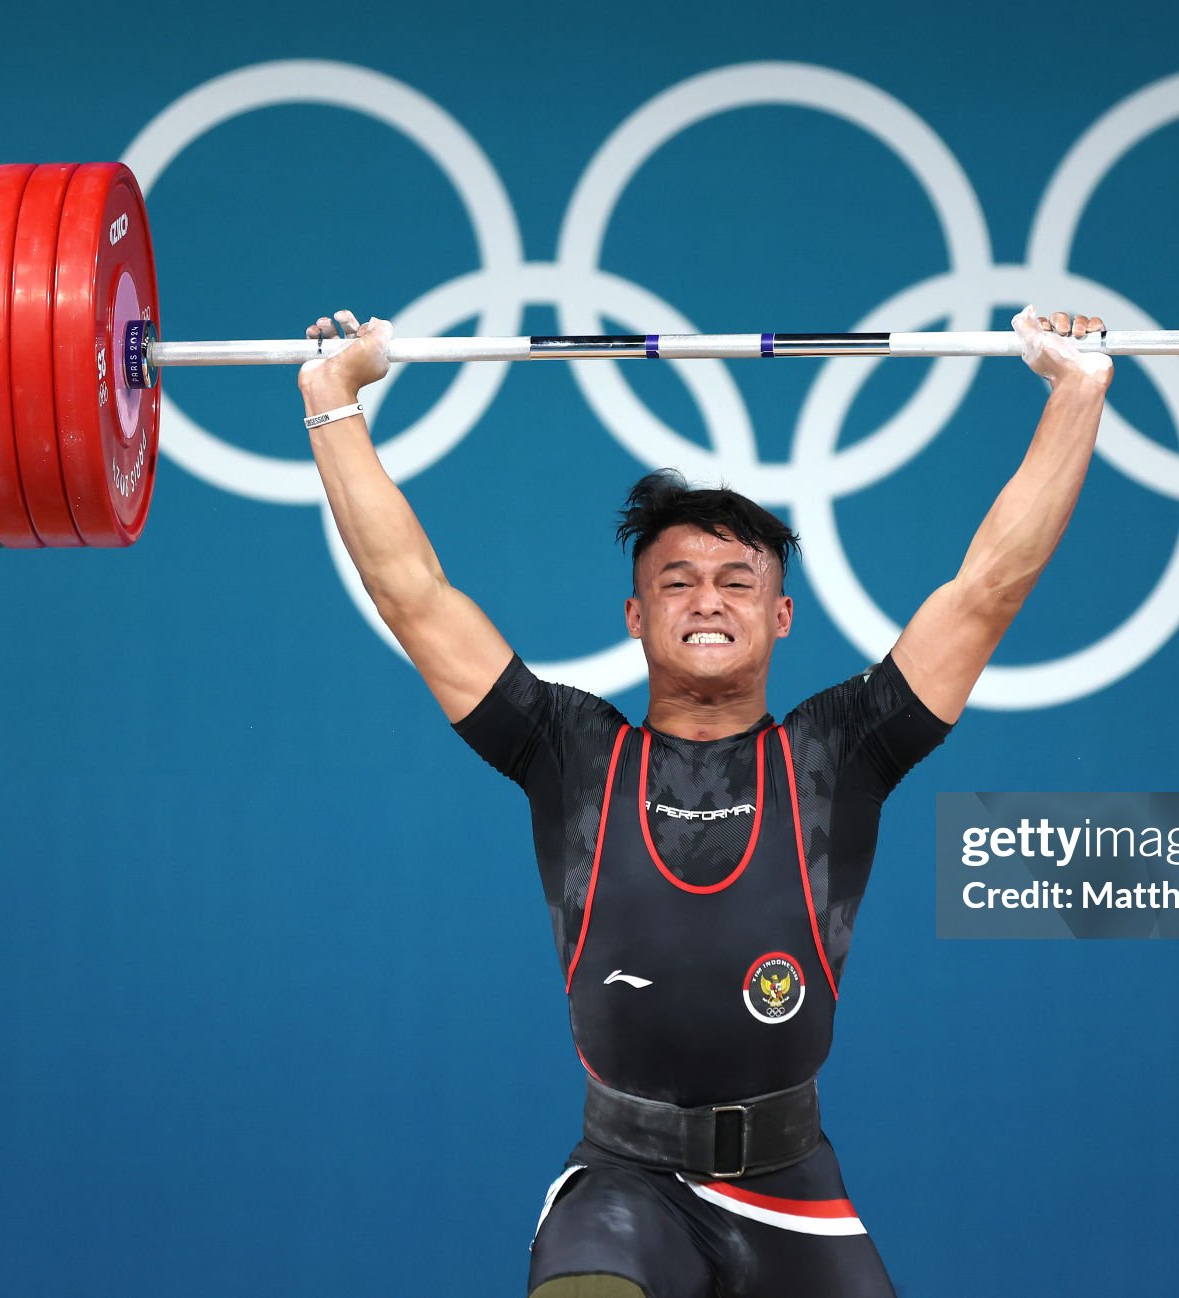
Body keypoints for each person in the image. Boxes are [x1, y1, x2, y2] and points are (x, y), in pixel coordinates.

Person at [298, 306, 1111, 1298]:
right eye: (675, 582)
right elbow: (413, 594)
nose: (706, 600)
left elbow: (987, 587)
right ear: (636, 616)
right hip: (622, 1183)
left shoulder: (841, 748)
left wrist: (1076, 393)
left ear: (779, 614)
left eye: (735, 579)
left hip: (790, 1191)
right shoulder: (565, 747)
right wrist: (331, 403)